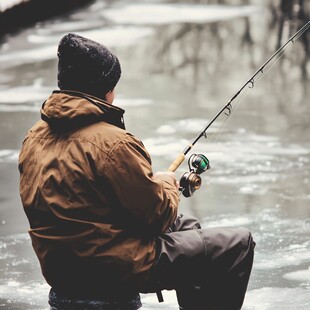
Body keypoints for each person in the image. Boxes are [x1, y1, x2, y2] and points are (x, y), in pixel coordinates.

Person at [18, 33, 255, 310]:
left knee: (188, 226)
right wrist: (166, 183)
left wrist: (152, 185)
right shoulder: (113, 142)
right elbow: (157, 215)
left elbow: (83, 198)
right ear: (103, 88)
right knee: (237, 244)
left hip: (62, 265)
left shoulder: (34, 136)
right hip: (111, 268)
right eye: (112, 86)